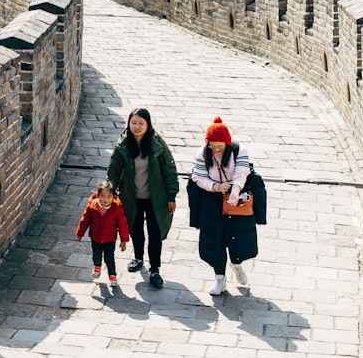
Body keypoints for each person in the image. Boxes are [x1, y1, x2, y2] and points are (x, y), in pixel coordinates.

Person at [106, 107, 178, 289]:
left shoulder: (157, 144)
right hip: (132, 197)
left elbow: (170, 171)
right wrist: (109, 193)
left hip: (156, 198)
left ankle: (155, 270)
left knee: (155, 233)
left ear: (148, 125)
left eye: (141, 123)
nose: (137, 127)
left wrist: (171, 196)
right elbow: (113, 172)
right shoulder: (123, 145)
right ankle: (138, 258)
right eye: (134, 123)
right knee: (135, 228)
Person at [190, 116, 259, 295]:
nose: (216, 150)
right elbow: (198, 177)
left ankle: (236, 265)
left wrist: (235, 191)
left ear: (227, 143)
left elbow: (242, 171)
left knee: (238, 236)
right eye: (212, 146)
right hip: (212, 200)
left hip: (237, 197)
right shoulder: (203, 152)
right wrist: (216, 187)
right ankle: (220, 279)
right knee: (214, 240)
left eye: (220, 146)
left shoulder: (239, 150)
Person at [76, 180, 130, 287]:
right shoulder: (92, 207)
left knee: (109, 258)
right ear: (98, 195)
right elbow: (85, 220)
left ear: (114, 196)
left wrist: (123, 240)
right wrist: (80, 232)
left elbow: (123, 225)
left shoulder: (117, 209)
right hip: (95, 237)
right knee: (96, 255)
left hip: (109, 239)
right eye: (103, 196)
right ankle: (97, 266)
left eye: (109, 196)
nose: (106, 199)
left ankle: (112, 275)